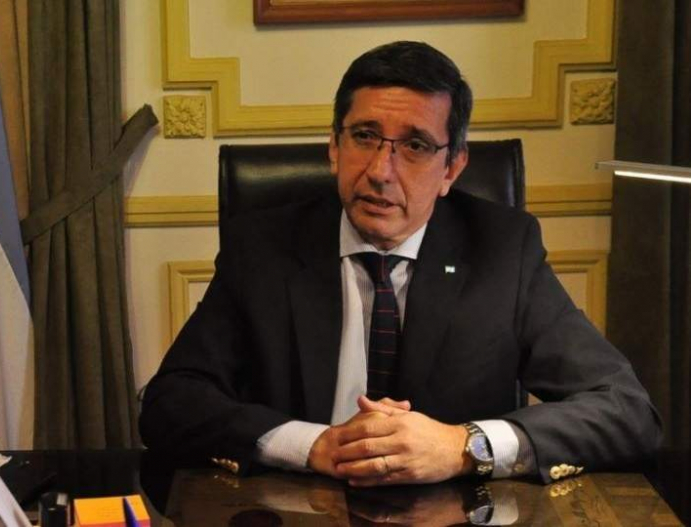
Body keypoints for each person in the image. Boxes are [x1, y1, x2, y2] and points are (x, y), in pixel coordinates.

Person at [140, 41, 661, 486]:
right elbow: (171, 402)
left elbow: (625, 409)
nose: (381, 171)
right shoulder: (263, 247)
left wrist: (466, 446)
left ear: (452, 168)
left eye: (415, 145)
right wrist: (310, 445)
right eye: (365, 136)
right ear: (333, 147)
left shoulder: (503, 251)